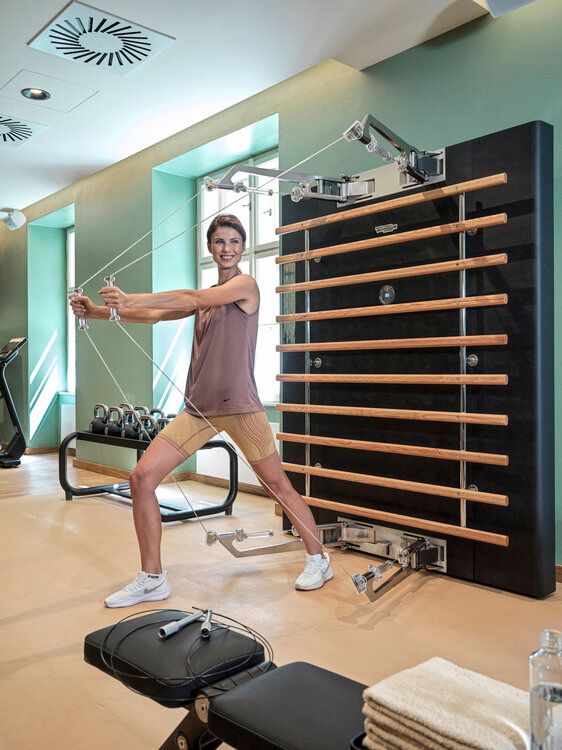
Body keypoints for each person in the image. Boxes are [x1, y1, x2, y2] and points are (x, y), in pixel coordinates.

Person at [70, 214, 333, 607]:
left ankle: (319, 559)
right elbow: (158, 314)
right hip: (197, 410)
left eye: (233, 241)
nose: (226, 248)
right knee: (142, 478)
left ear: (242, 248)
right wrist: (95, 311)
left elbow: (190, 298)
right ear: (210, 249)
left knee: (278, 487)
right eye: (219, 242)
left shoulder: (246, 286)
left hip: (241, 409)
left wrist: (130, 298)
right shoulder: (207, 299)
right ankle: (152, 577)